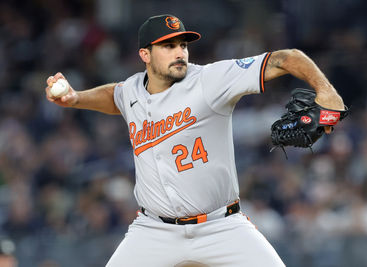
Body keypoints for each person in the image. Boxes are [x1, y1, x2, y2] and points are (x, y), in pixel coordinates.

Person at [45, 14, 344, 267]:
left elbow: (286, 58)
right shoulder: (133, 89)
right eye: (168, 46)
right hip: (153, 230)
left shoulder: (210, 80)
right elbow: (115, 96)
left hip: (221, 225)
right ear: (145, 55)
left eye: (183, 45)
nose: (180, 52)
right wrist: (75, 99)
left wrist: (325, 89)